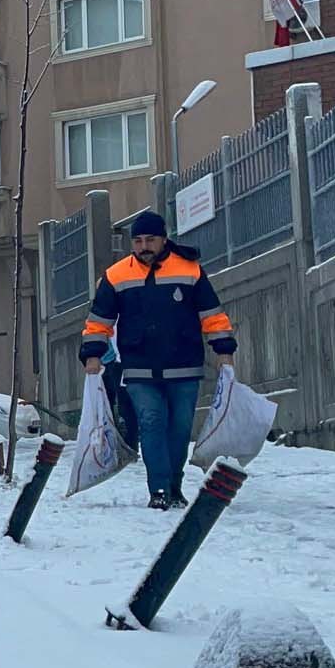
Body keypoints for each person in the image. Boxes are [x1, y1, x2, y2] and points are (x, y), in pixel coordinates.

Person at [82, 209, 237, 509]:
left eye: (150, 240)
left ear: (164, 239)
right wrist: (92, 355)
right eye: (137, 241)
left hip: (184, 362)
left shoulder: (190, 270)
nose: (143, 247)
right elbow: (98, 321)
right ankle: (159, 489)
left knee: (179, 428)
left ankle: (174, 484)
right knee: (151, 422)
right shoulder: (116, 276)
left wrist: (224, 350)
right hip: (139, 365)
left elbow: (212, 315)